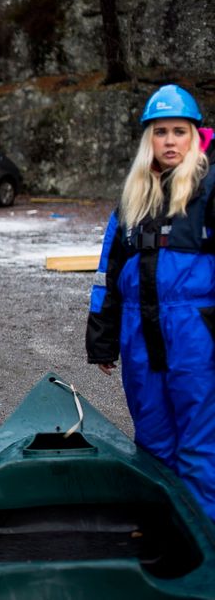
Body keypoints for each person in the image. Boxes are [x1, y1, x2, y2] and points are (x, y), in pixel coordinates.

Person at [86, 84, 215, 521]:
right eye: (161, 132)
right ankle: (166, 533)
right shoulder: (131, 199)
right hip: (140, 336)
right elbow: (109, 273)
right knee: (154, 443)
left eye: (180, 131)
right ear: (149, 140)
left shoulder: (208, 190)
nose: (170, 141)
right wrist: (102, 339)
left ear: (194, 135)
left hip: (196, 336)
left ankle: (205, 549)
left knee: (200, 447)